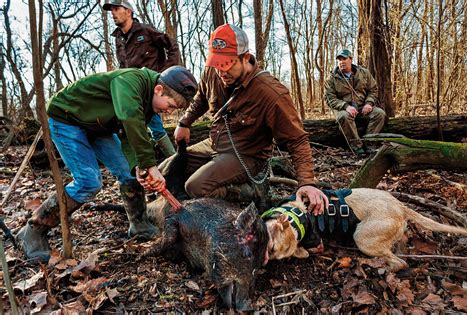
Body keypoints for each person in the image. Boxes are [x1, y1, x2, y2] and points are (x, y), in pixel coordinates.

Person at [16, 66, 198, 262]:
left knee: (129, 173)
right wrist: (150, 165)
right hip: (67, 118)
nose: (168, 111)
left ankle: (139, 225)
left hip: (98, 126)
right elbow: (129, 116)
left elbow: (130, 133)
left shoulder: (148, 102)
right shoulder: (130, 80)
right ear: (159, 90)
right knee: (89, 181)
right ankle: (33, 230)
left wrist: (139, 166)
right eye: (170, 105)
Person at [160, 24, 328, 213]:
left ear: (245, 58)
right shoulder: (213, 72)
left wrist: (307, 183)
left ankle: (249, 192)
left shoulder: (270, 93)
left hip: (248, 154)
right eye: (217, 65)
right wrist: (184, 122)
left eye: (227, 65)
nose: (221, 72)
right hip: (215, 143)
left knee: (195, 187)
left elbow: (297, 140)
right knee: (166, 170)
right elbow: (202, 98)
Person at [103, 0, 181, 158]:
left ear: (128, 11)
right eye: (111, 10)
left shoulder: (146, 31)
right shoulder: (118, 37)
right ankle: (145, 165)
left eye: (116, 9)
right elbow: (123, 64)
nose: (113, 13)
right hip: (130, 90)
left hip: (150, 87)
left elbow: (172, 45)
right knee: (131, 126)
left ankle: (175, 161)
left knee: (156, 127)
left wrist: (165, 73)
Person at [324, 49, 386, 155]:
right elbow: (330, 98)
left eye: (344, 59)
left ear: (351, 59)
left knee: (380, 114)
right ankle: (357, 147)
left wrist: (369, 103)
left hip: (362, 106)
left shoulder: (364, 73)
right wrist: (345, 106)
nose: (341, 62)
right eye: (339, 59)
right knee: (343, 117)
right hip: (343, 109)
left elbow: (373, 89)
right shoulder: (332, 78)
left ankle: (370, 144)